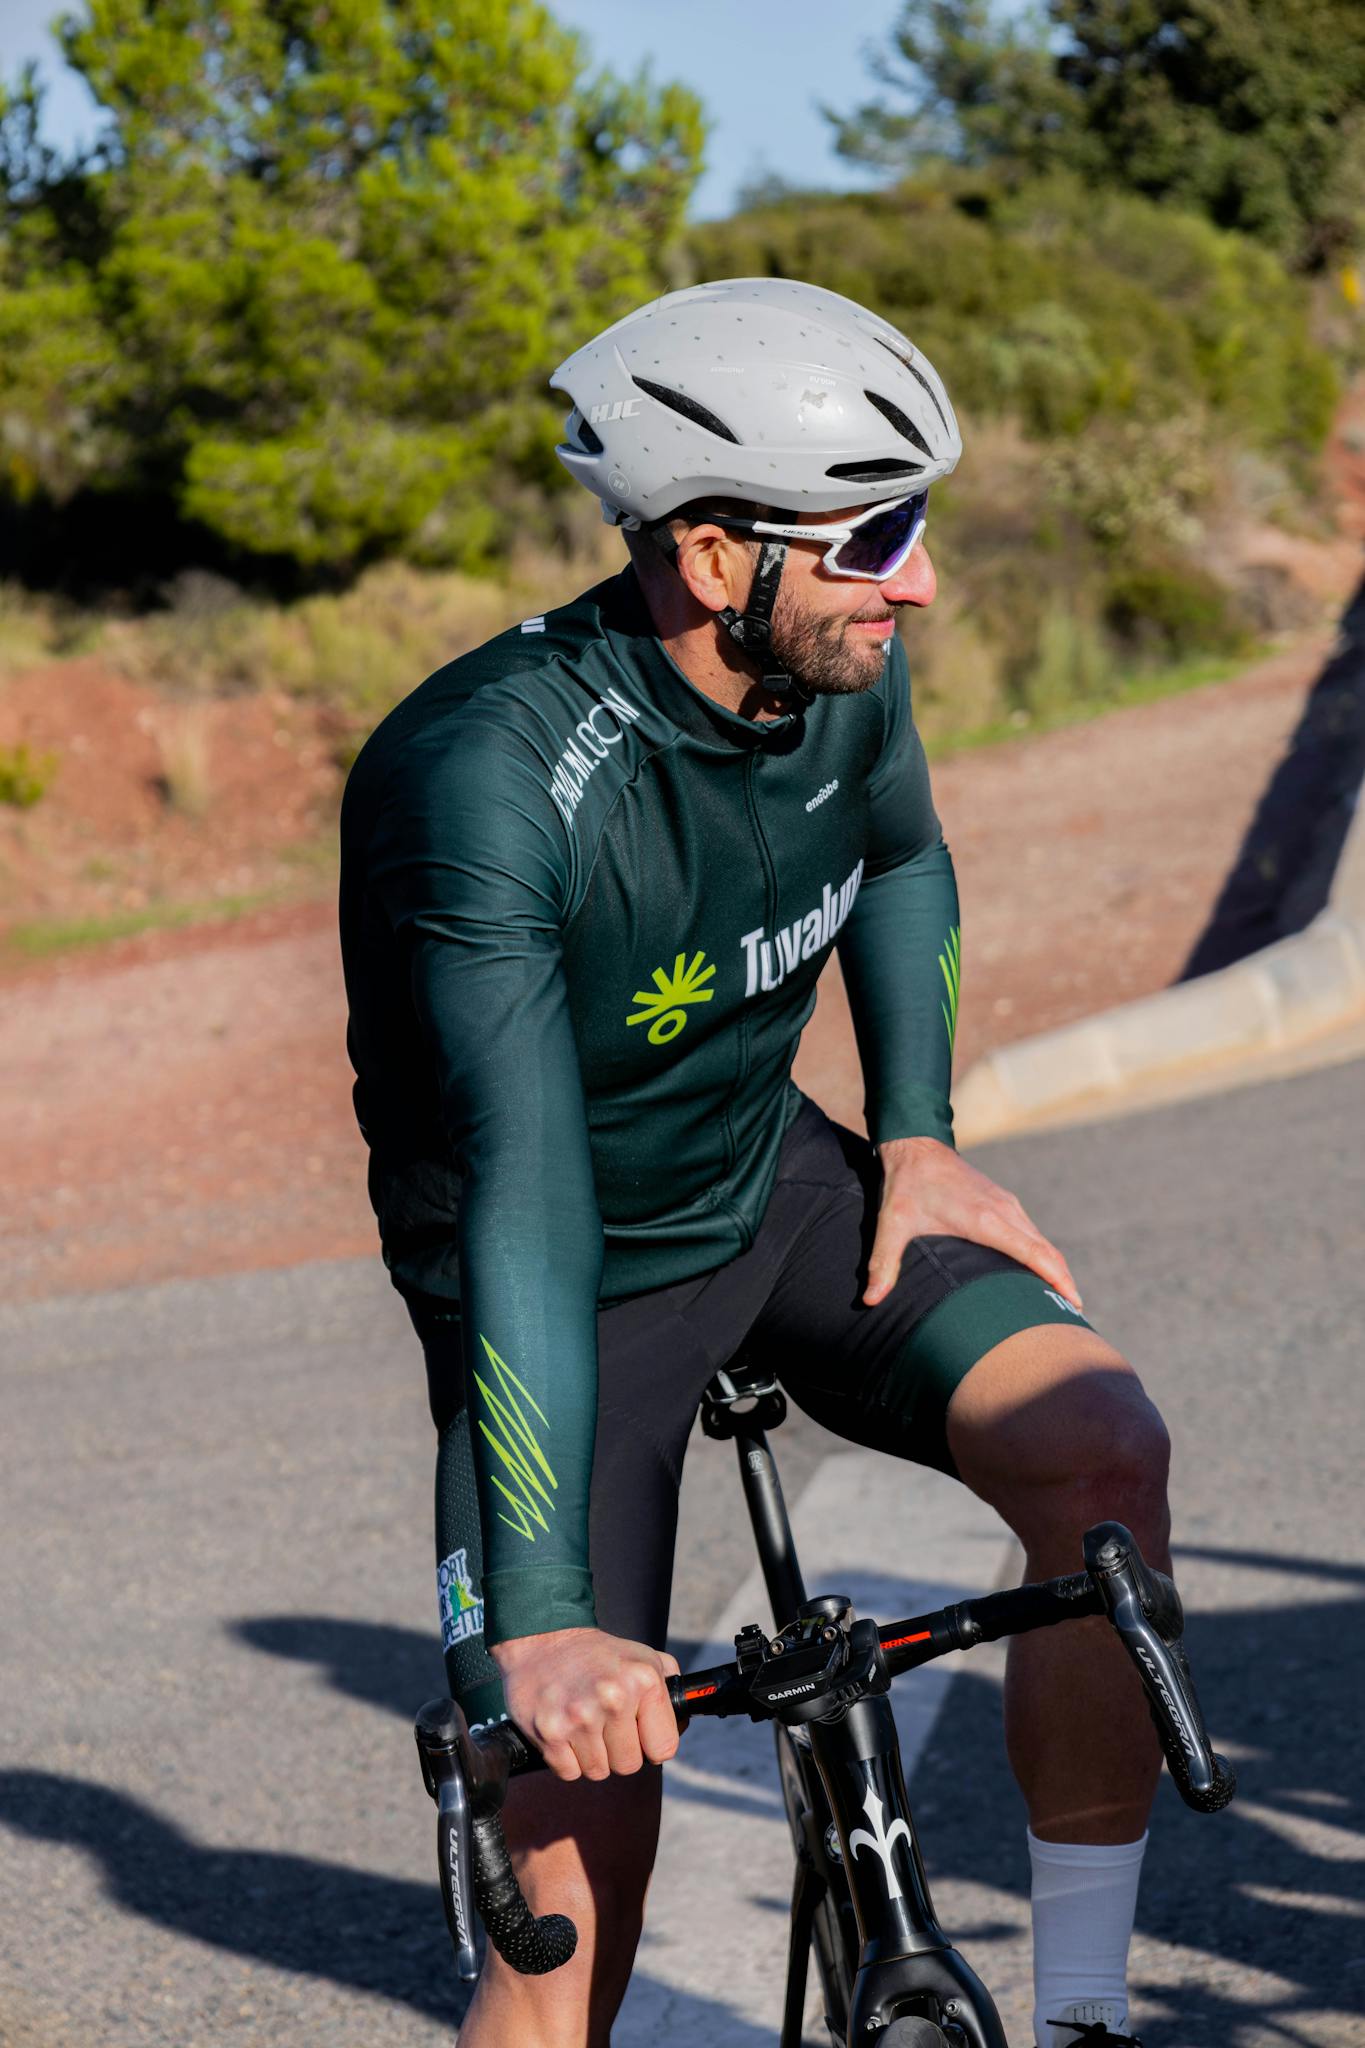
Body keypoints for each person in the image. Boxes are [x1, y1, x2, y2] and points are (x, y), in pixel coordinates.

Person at [339, 277, 1171, 2048]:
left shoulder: (841, 664)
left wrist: (922, 1140)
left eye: (919, 526)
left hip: (768, 1179)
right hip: (564, 1282)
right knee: (568, 1883)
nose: (919, 581)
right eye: (875, 536)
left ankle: (1089, 2012)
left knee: (1100, 1446)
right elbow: (523, 1192)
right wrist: (549, 1629)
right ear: (714, 558)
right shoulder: (482, 782)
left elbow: (906, 862)